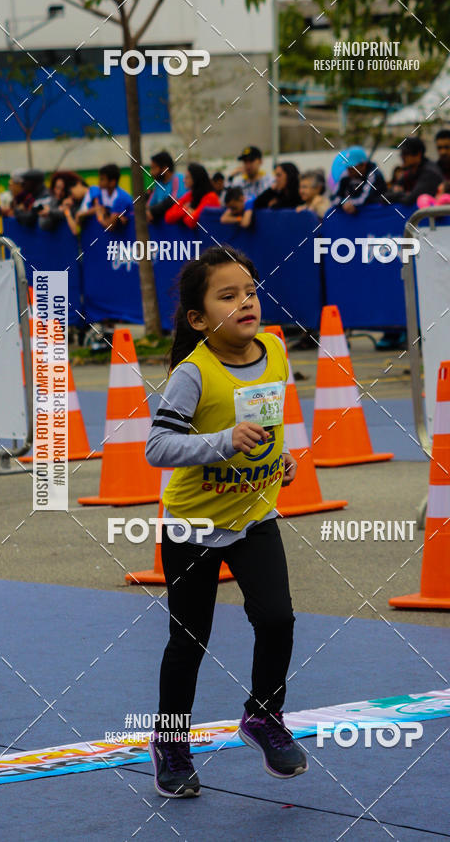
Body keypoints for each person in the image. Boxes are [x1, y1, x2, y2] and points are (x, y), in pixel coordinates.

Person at [145, 245, 307, 798]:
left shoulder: (276, 350)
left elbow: (268, 422)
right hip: (192, 523)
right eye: (228, 295)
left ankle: (263, 715)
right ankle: (170, 744)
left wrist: (278, 460)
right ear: (198, 318)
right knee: (188, 641)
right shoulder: (194, 374)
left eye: (251, 291)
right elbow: (158, 447)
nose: (246, 302)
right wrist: (221, 444)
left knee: (278, 619)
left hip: (255, 516)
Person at [385, 137, 442, 205]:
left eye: (405, 154)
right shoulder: (410, 172)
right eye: (401, 154)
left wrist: (398, 194)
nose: (402, 157)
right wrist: (405, 194)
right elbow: (384, 197)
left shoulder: (430, 173)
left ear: (418, 154)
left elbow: (410, 199)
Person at [164, 163, 222, 229]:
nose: (184, 180)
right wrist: (185, 210)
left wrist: (183, 213)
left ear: (196, 179)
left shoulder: (211, 197)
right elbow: (168, 217)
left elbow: (190, 221)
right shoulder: (190, 195)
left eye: (187, 177)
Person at [330, 149, 387, 213]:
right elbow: (334, 197)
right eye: (347, 167)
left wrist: (348, 203)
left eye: (352, 167)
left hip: (375, 216)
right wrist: (344, 203)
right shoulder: (346, 174)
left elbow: (364, 200)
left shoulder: (374, 175)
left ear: (363, 165)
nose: (349, 170)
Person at [80, 163, 134, 231]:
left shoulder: (122, 198)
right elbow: (80, 214)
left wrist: (100, 216)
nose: (99, 182)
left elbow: (110, 226)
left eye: (102, 179)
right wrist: (97, 209)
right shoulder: (98, 192)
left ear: (112, 182)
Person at [146, 151, 186, 224]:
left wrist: (153, 211)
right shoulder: (158, 184)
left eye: (154, 168)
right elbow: (149, 206)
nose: (151, 172)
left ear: (165, 168)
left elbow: (175, 200)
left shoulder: (178, 178)